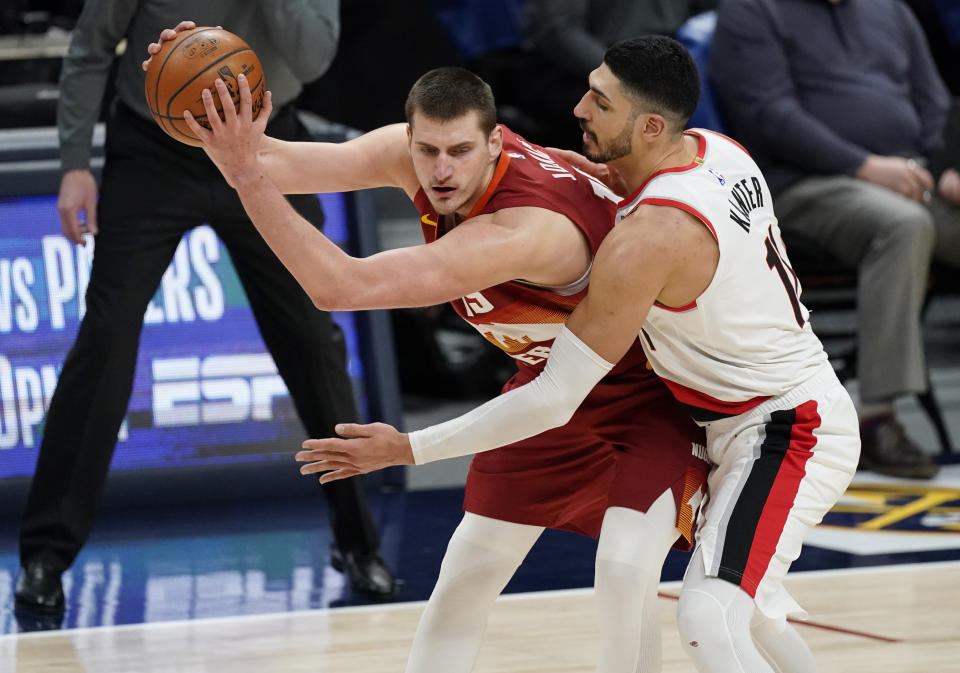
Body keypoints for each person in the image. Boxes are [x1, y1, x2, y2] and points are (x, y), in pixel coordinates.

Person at [295, 36, 862, 673]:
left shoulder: (647, 237)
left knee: (707, 612)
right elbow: (634, 180)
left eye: (600, 100)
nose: (578, 108)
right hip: (730, 410)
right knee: (742, 604)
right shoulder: (714, 150)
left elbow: (556, 394)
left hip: (785, 425)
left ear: (648, 125)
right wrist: (598, 172)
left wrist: (413, 447)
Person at [162, 33, 710, 669]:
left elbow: (339, 287)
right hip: (550, 388)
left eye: (458, 152)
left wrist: (242, 176)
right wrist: (208, 106)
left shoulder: (523, 231)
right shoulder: (415, 154)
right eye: (427, 151)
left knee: (623, 578)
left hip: (651, 394)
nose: (441, 170)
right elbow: (268, 159)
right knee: (465, 574)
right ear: (411, 138)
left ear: (495, 145)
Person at [13, 1, 397, 618]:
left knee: (312, 340)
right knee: (107, 336)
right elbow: (89, 48)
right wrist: (75, 163)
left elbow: (312, 57)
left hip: (268, 146)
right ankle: (45, 555)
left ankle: (358, 543)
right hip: (155, 151)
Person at [708, 0, 960, 478]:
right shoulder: (752, 12)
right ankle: (877, 414)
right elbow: (769, 114)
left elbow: (936, 103)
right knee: (902, 225)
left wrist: (948, 168)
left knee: (910, 215)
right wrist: (863, 166)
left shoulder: (891, 10)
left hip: (910, 175)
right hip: (803, 183)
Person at [510, 0, 717, 148]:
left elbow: (708, 16)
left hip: (668, 61)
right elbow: (557, 31)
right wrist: (625, 73)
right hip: (583, 70)